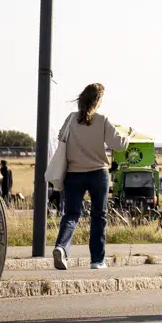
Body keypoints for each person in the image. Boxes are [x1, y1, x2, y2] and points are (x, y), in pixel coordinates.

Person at [51, 83, 129, 270]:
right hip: (98, 173)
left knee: (70, 214)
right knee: (98, 216)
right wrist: (129, 135)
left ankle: (61, 247)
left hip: (74, 174)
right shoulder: (102, 120)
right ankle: (97, 260)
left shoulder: (71, 119)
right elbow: (119, 145)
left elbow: (61, 137)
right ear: (98, 101)